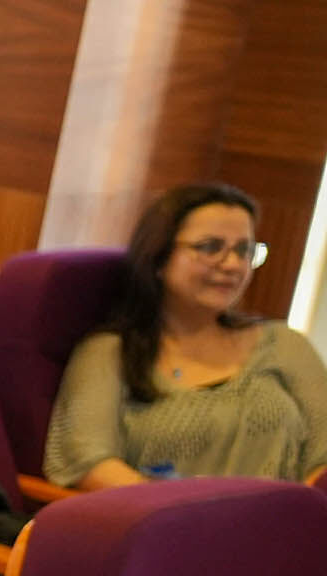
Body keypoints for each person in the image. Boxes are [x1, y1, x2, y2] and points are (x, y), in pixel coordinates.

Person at [46, 179, 327, 488]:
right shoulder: (109, 352)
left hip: (280, 527)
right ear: (159, 257)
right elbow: (88, 463)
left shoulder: (284, 344)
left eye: (244, 250)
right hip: (160, 527)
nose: (233, 264)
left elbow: (322, 459)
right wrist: (191, 518)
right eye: (210, 247)